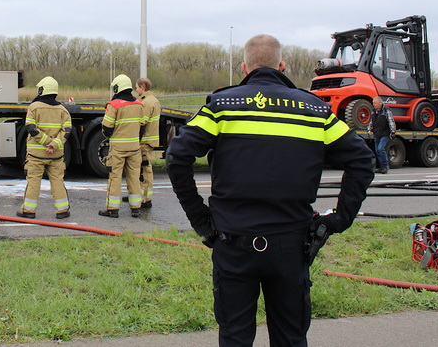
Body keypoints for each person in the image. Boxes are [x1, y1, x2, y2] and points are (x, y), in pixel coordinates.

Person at [166, 34, 375, 347]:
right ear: (283, 65)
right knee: (290, 338)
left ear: (244, 67)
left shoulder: (223, 105)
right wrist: (338, 219)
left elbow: (177, 156)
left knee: (235, 337)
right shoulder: (314, 109)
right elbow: (362, 160)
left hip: (233, 242)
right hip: (291, 245)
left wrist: (200, 219)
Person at [16, 76, 73, 219]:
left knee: (33, 181)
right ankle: (63, 210)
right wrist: (53, 144)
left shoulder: (34, 107)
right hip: (56, 155)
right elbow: (66, 132)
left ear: (41, 90)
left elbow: (31, 128)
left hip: (36, 155)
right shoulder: (63, 110)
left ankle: (28, 211)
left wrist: (46, 142)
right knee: (58, 181)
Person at [100, 74, 146, 218]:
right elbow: (142, 126)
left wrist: (111, 137)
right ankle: (136, 208)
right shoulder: (139, 104)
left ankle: (112, 209)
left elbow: (106, 128)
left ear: (116, 87)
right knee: (134, 177)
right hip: (134, 148)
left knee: (115, 177)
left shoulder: (114, 105)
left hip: (118, 148)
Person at [136, 77, 160, 208]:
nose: (136, 90)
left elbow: (141, 123)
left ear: (142, 87)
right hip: (150, 139)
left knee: (145, 169)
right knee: (144, 169)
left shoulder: (147, 103)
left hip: (145, 141)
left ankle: (145, 199)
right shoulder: (153, 101)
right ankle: (141, 196)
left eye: (137, 87)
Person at [368, 96, 396, 174]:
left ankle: (386, 166)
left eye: (375, 103)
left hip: (385, 133)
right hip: (377, 133)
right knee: (377, 151)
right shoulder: (373, 111)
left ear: (380, 103)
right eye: (373, 103)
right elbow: (371, 122)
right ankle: (381, 167)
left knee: (380, 149)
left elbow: (391, 121)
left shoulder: (386, 111)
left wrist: (393, 131)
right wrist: (369, 130)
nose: (374, 105)